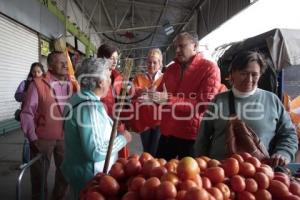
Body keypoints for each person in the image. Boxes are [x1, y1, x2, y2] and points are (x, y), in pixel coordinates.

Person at [194, 51, 298, 167]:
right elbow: (202, 139)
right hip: (220, 173)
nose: (249, 79)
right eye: (244, 73)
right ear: (232, 74)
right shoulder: (218, 100)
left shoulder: (272, 100)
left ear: (260, 75)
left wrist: (283, 153)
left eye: (254, 74)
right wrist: (201, 166)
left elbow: (289, 134)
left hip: (260, 174)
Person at [140, 32, 221, 160]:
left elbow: (203, 105)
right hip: (167, 133)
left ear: (195, 47)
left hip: (191, 137)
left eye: (182, 46)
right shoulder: (171, 69)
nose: (177, 50)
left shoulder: (210, 69)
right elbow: (160, 94)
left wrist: (168, 99)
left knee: (190, 177)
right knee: (159, 174)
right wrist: (150, 96)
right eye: (175, 47)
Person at [60, 58, 132, 194]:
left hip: (77, 172)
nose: (110, 82)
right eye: (109, 78)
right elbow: (96, 151)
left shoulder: (76, 98)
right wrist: (123, 139)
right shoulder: (89, 106)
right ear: (100, 82)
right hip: (89, 178)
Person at [20, 51, 78, 200]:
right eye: (61, 62)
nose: (66, 64)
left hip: (66, 138)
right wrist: (32, 138)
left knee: (65, 174)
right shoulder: (38, 84)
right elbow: (27, 113)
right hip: (42, 140)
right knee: (39, 176)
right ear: (51, 66)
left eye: (66, 61)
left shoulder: (72, 83)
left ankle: (58, 197)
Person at [97, 43, 130, 158]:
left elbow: (125, 99)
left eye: (116, 58)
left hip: (118, 124)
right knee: (105, 155)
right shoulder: (95, 79)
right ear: (102, 58)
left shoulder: (120, 78)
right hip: (102, 125)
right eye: (111, 58)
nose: (115, 61)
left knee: (120, 162)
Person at [131, 48, 163, 156]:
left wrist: (152, 96)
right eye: (149, 62)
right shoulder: (138, 78)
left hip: (159, 120)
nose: (151, 65)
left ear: (160, 64)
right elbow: (132, 96)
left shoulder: (165, 78)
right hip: (143, 120)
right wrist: (139, 92)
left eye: (155, 62)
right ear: (146, 63)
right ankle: (148, 171)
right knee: (147, 151)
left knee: (156, 150)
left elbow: (168, 97)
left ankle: (155, 171)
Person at [14, 62, 45, 167]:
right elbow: (17, 96)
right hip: (28, 117)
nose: (36, 74)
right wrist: (28, 94)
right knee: (28, 138)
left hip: (41, 117)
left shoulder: (45, 84)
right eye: (34, 71)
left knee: (40, 138)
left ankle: (38, 159)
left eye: (39, 71)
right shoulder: (25, 84)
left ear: (42, 72)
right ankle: (26, 162)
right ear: (31, 72)